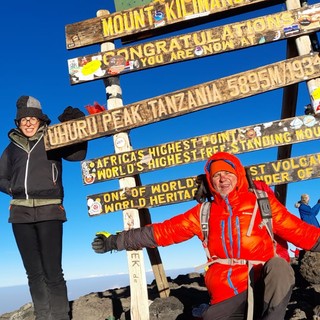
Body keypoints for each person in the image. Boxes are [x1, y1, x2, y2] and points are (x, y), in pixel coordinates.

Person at [91, 151, 320, 320]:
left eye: (227, 173)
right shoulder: (204, 212)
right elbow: (163, 232)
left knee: (280, 268)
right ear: (210, 181)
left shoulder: (262, 204)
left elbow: (300, 231)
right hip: (227, 293)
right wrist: (116, 241)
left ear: (238, 174)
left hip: (263, 283)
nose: (222, 178)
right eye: (216, 175)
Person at [0, 96, 87, 320]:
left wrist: (76, 127)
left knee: (52, 271)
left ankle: (60, 316)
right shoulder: (11, 149)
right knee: (33, 273)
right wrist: (13, 189)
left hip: (50, 210)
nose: (28, 123)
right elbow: (0, 177)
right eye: (23, 120)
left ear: (40, 120)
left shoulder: (52, 139)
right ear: (18, 123)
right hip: (20, 213)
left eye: (32, 119)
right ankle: (42, 315)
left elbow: (77, 155)